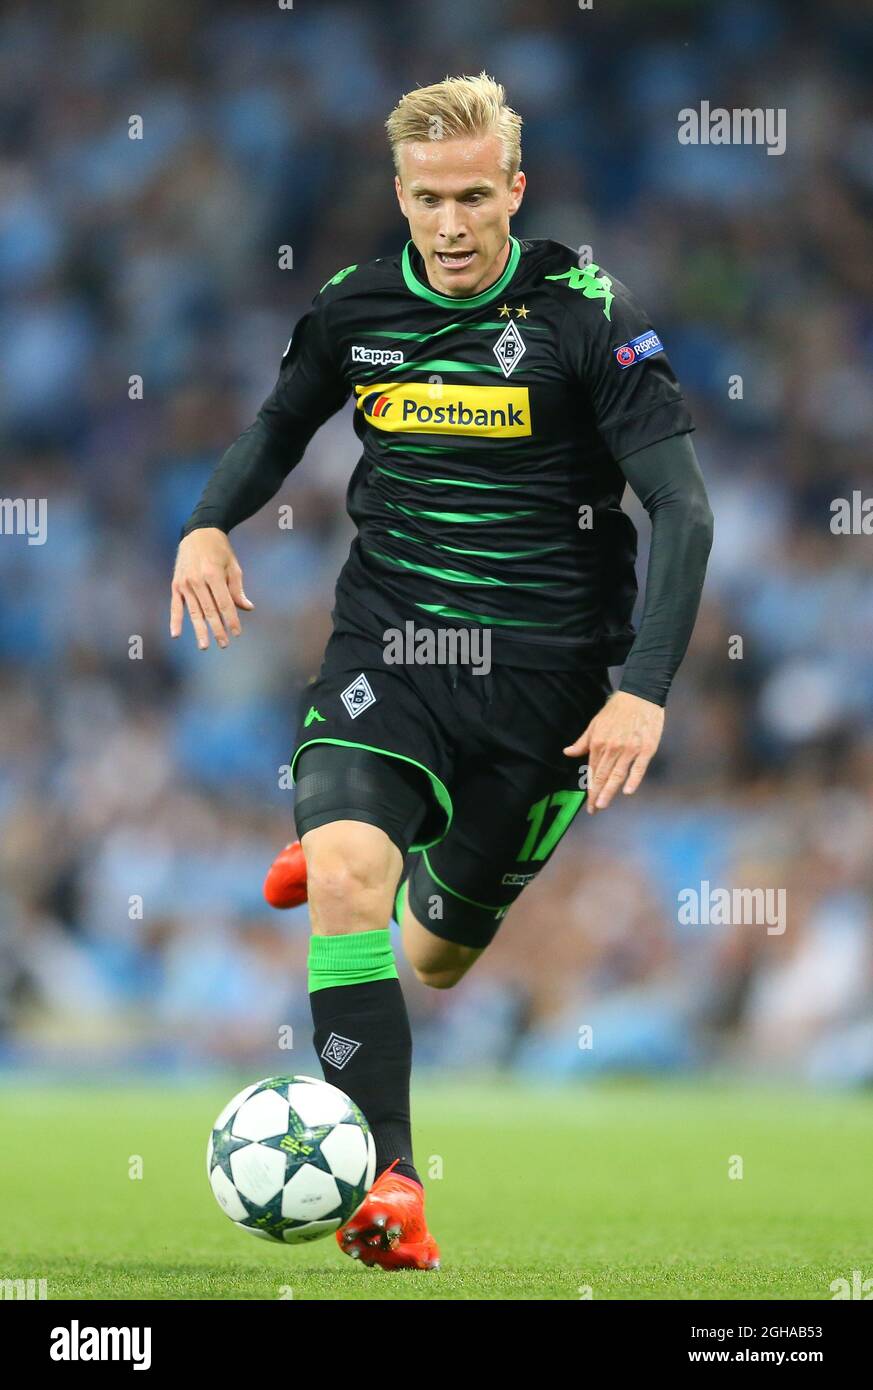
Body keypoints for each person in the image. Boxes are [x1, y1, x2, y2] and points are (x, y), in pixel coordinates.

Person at [171, 72, 713, 1270]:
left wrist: (646, 686)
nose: (453, 224)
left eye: (476, 197)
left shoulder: (584, 310)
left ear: (514, 191)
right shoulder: (355, 307)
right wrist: (209, 521)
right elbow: (276, 426)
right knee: (355, 883)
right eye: (429, 199)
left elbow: (679, 506)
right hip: (393, 652)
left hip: (553, 681)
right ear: (400, 195)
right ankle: (390, 1176)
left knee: (436, 955)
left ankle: (359, 841)